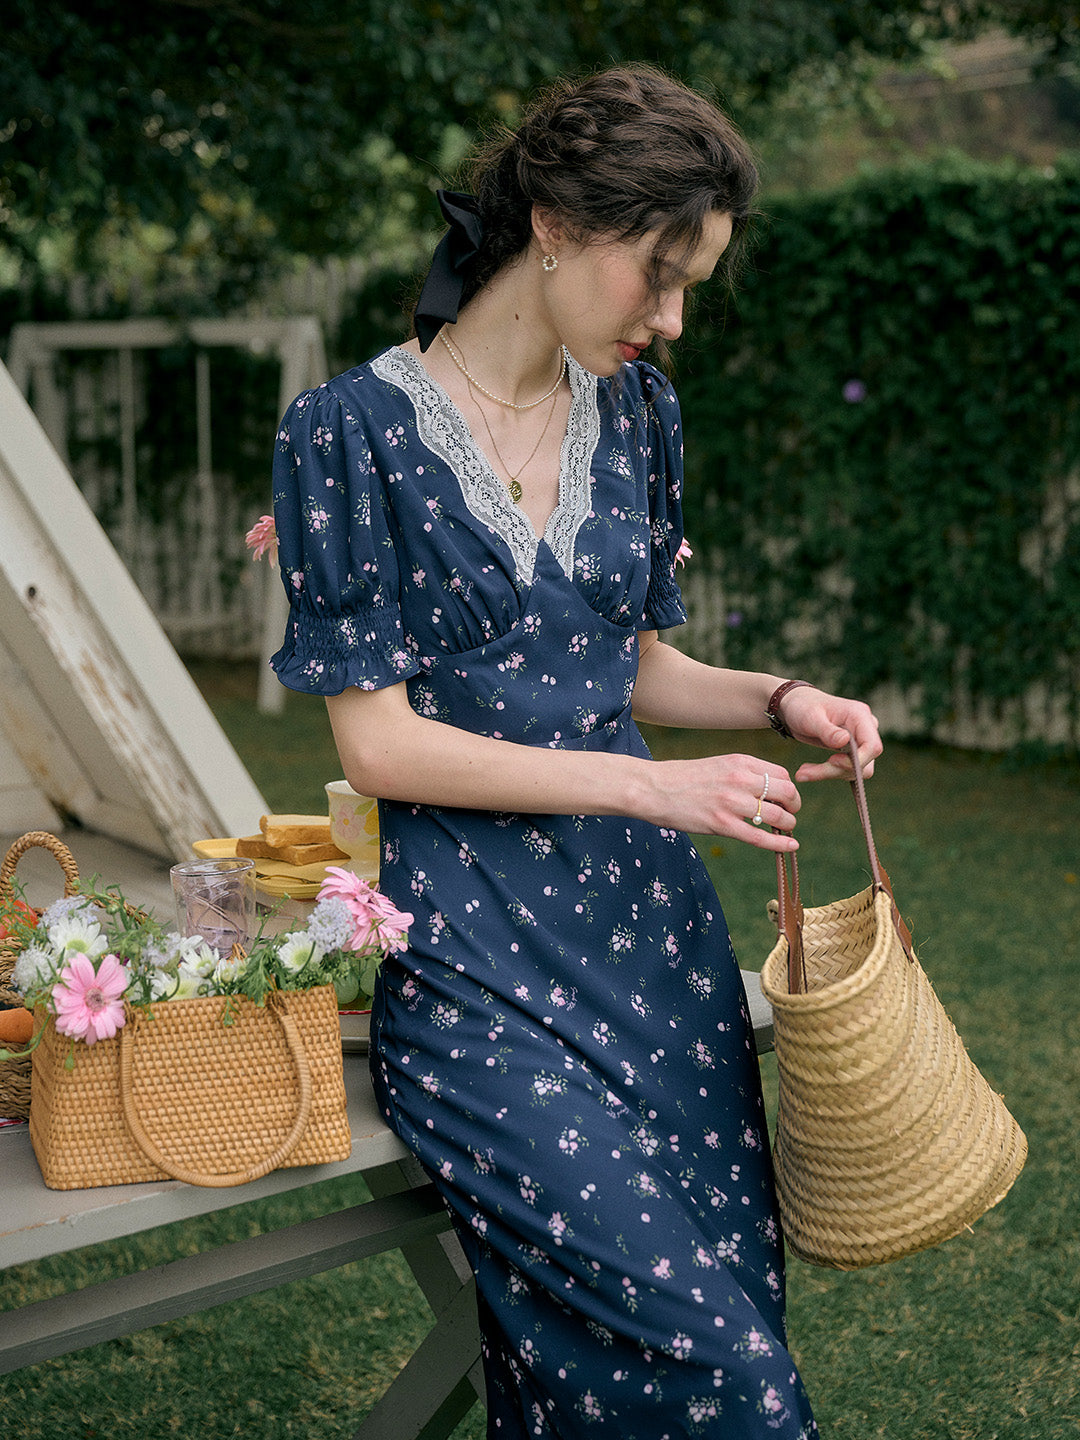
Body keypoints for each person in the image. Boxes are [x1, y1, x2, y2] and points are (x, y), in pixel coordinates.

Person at [271, 63, 880, 1439]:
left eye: (691, 289)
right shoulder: (345, 435)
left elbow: (637, 664)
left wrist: (784, 697)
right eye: (655, 277)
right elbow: (378, 745)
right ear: (550, 221)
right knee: (721, 1379)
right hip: (480, 970)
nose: (668, 322)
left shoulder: (642, 417)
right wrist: (651, 784)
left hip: (655, 960)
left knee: (706, 1323)